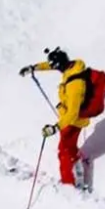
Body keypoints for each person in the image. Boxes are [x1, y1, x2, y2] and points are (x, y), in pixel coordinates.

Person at [18, 48, 98, 187]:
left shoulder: (74, 85)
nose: (54, 68)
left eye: (55, 66)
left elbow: (72, 114)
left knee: (64, 151)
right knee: (69, 146)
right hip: (72, 118)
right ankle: (77, 162)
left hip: (72, 121)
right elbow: (52, 65)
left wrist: (55, 128)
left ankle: (69, 184)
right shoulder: (73, 66)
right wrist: (34, 68)